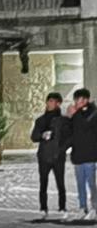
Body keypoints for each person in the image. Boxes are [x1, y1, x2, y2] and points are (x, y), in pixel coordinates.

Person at [32, 92, 69, 220]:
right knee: (43, 183)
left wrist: (62, 149)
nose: (49, 104)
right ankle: (43, 208)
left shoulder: (64, 121)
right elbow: (34, 137)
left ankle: (62, 207)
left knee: (60, 183)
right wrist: (42, 135)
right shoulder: (41, 120)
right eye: (48, 101)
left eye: (53, 101)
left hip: (58, 156)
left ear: (58, 103)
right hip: (44, 156)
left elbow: (69, 138)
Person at [66, 87, 97, 221]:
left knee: (91, 183)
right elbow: (70, 132)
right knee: (80, 184)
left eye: (79, 100)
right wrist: (68, 118)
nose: (77, 103)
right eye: (76, 100)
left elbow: (85, 125)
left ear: (86, 100)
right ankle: (82, 207)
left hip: (90, 155)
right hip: (78, 155)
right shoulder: (76, 114)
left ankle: (94, 208)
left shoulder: (93, 113)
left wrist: (74, 115)